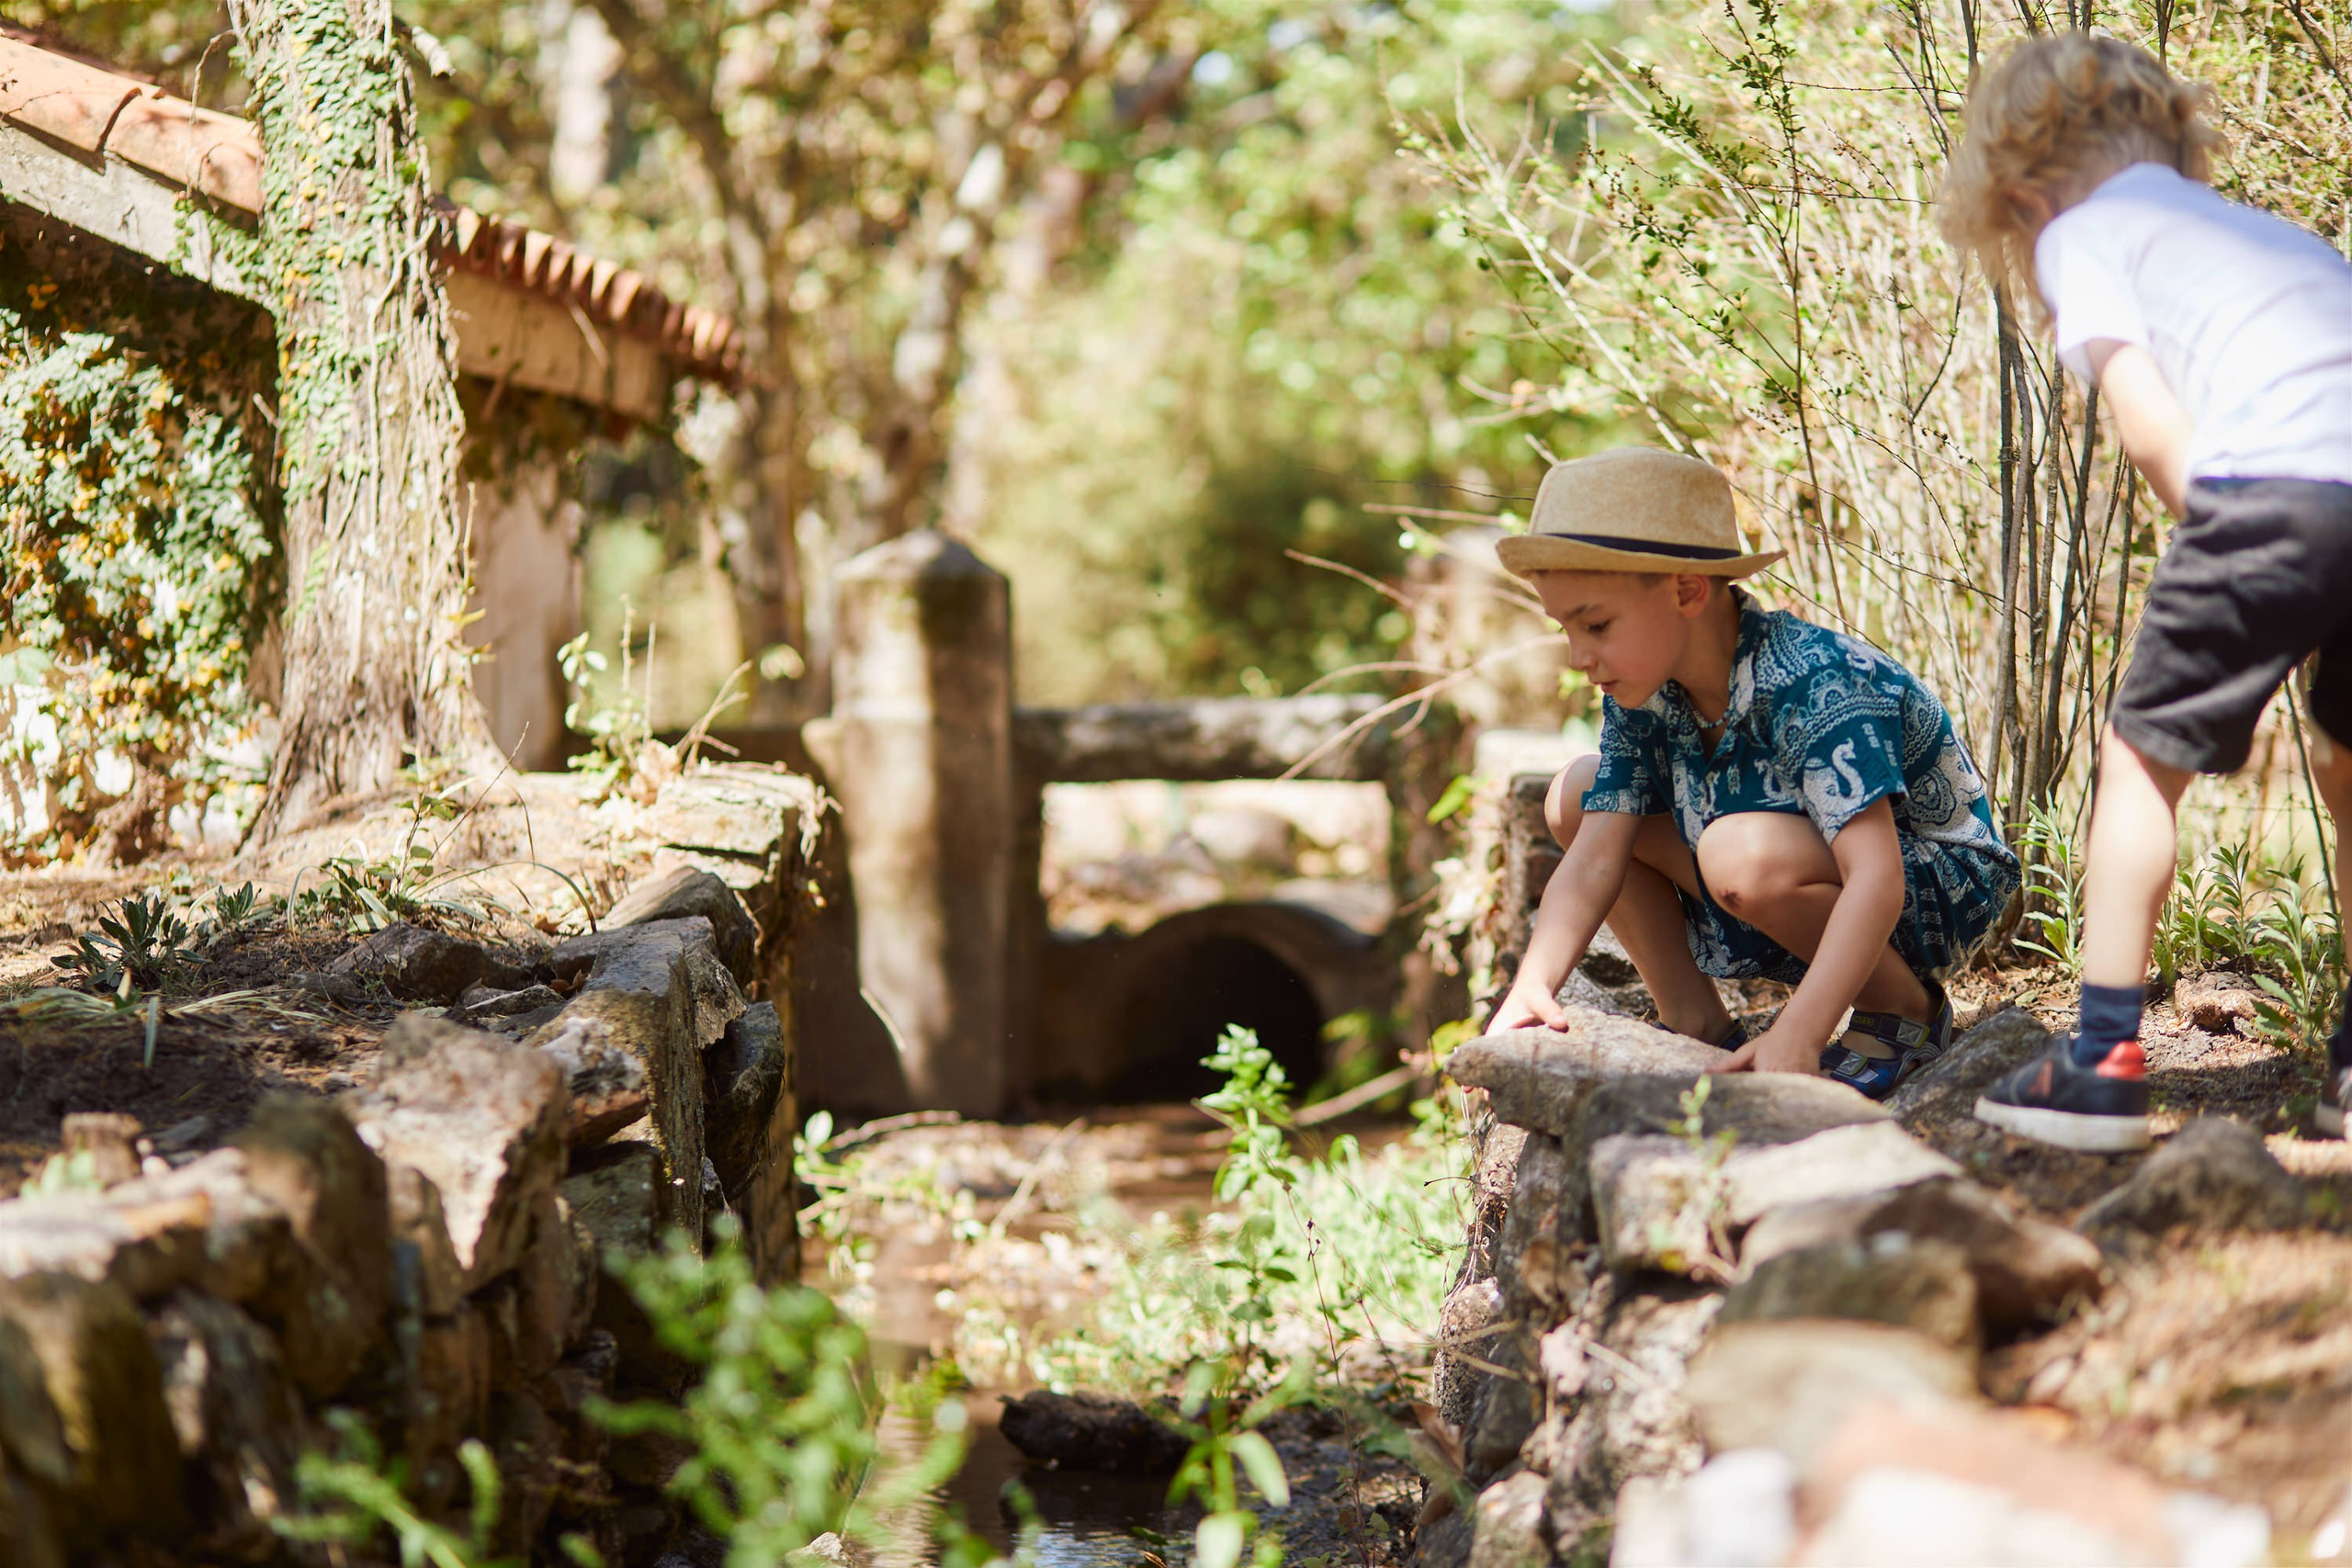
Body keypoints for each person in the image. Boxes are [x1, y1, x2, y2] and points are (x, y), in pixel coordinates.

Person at [1943, 34, 2352, 1150]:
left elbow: (2150, 428)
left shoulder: (2081, 231)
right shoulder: (2270, 235)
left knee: (2139, 762)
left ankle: (2102, 1060)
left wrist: (2219, 543)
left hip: (2270, 494)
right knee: (2346, 759)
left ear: (2025, 199)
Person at [1485, 448, 2021, 1100]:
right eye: (1565, 627)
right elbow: (1597, 853)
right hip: (1782, 866)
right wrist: (1532, 982)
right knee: (1575, 797)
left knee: (1736, 855)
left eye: (1595, 624)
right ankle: (1696, 1021)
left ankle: (1903, 1009)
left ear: (1687, 590)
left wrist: (1801, 1029)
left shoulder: (1807, 680)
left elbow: (1876, 876)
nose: (1577, 655)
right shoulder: (1645, 693)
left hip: (1934, 885)